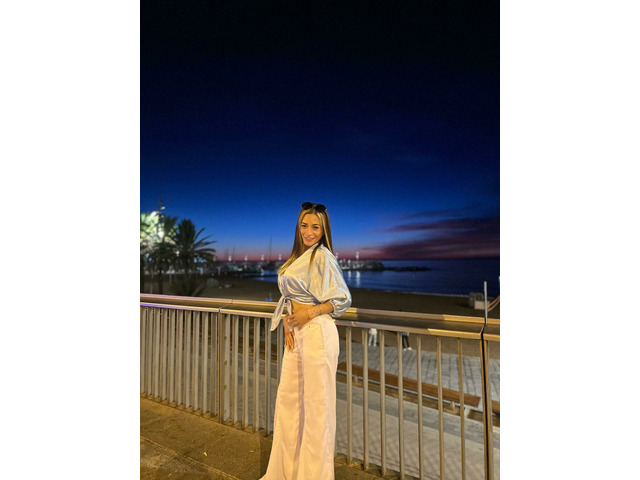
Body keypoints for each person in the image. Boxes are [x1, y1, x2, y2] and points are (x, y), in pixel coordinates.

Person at [260, 202, 352, 480]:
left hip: (318, 335)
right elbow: (292, 298)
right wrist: (288, 320)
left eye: (315, 227)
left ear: (324, 231)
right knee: (289, 404)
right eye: (304, 225)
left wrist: (307, 314)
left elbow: (341, 300)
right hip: (297, 334)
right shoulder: (298, 257)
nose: (309, 232)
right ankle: (287, 472)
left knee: (317, 410)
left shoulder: (322, 256)